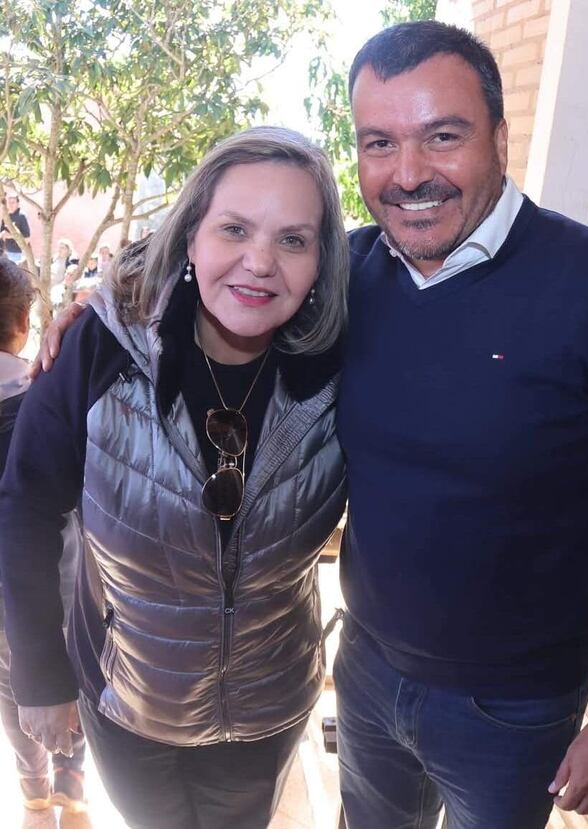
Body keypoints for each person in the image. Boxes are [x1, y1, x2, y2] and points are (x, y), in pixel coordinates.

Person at [32, 22, 588, 829]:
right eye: (379, 143)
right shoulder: (350, 277)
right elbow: (231, 244)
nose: (410, 173)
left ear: (500, 137)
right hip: (364, 674)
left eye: (443, 136)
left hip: (513, 711)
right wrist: (105, 305)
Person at [0, 126, 349, 829]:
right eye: (234, 228)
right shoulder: (101, 347)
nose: (260, 262)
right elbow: (25, 505)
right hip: (128, 702)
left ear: (322, 260)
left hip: (266, 708)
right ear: (191, 234)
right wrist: (39, 671)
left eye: (293, 239)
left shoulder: (348, 365)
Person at [0, 258, 92, 829]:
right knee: (65, 668)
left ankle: (32, 790)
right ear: (24, 322)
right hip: (59, 581)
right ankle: (72, 783)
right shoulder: (46, 395)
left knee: (11, 687)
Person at [0, 194, 32, 265]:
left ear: (17, 204)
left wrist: (10, 236)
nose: (11, 205)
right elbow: (2, 233)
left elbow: (27, 237)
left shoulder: (21, 216)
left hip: (17, 254)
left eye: (13, 202)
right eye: (9, 202)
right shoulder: (6, 216)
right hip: (6, 253)